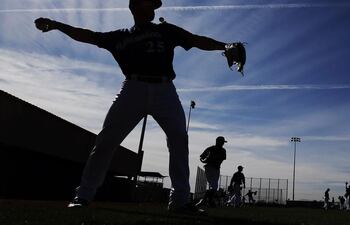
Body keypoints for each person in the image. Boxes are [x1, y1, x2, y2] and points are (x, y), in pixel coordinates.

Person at [34, 0, 236, 213]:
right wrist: (57, 25)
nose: (155, 7)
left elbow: (195, 40)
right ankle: (83, 195)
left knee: (178, 138)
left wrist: (224, 46)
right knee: (106, 141)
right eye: (150, 3)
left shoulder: (165, 29)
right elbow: (87, 35)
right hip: (132, 88)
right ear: (136, 6)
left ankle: (180, 201)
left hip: (165, 90)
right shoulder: (120, 36)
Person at [196, 136, 227, 208]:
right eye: (222, 142)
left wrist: (208, 158)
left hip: (216, 168)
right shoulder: (211, 149)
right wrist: (205, 159)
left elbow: (221, 158)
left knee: (214, 187)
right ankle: (204, 201)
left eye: (223, 142)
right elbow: (202, 157)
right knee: (214, 186)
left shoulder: (221, 150)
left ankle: (207, 201)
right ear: (218, 141)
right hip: (209, 168)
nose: (223, 143)